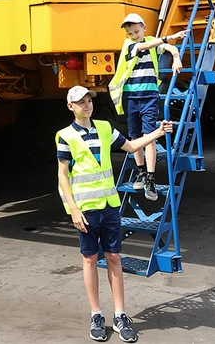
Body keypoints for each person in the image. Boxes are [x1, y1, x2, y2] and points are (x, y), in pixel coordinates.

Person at [57, 85, 173, 343]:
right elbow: (62, 176)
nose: (87, 104)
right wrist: (73, 209)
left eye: (89, 100)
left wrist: (157, 132)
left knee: (113, 257)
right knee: (89, 260)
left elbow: (132, 147)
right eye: (81, 101)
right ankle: (96, 314)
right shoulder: (65, 136)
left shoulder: (105, 128)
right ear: (70, 107)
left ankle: (120, 315)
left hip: (109, 207)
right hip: (85, 210)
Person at [107, 14, 185, 201]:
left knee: (150, 136)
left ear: (144, 27)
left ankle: (151, 178)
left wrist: (175, 57)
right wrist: (167, 38)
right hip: (131, 97)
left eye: (136, 31)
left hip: (149, 97)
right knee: (135, 138)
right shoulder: (129, 45)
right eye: (130, 33)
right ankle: (141, 172)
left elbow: (169, 47)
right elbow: (144, 46)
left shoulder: (152, 41)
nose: (134, 35)